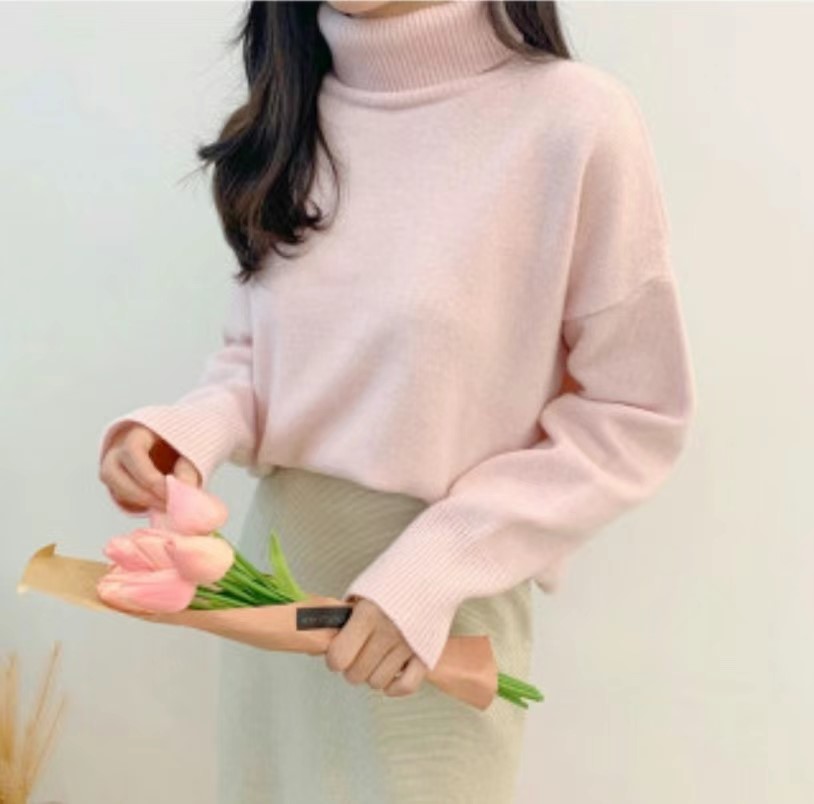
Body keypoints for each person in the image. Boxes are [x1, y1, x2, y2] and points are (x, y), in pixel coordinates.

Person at [97, 1, 696, 801]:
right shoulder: (291, 118)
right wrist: (180, 435)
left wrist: (430, 571)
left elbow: (632, 413)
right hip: (277, 592)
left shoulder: (573, 121)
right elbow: (259, 361)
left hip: (433, 619)